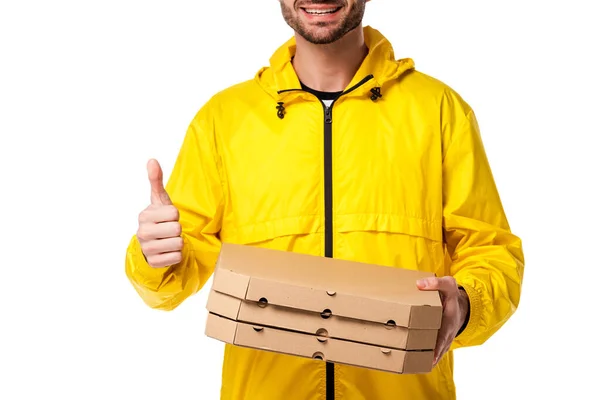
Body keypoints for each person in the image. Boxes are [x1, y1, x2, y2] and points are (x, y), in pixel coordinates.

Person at [125, 1, 525, 399]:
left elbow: (493, 254)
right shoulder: (223, 121)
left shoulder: (439, 111)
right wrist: (156, 255)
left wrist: (466, 302)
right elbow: (172, 278)